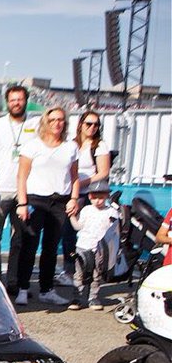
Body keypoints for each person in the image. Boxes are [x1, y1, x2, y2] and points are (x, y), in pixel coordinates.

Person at [15, 106, 79, 307]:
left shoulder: (71, 147)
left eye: (60, 120)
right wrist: (22, 203)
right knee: (29, 245)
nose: (57, 123)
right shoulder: (32, 146)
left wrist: (74, 198)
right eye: (52, 120)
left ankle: (46, 289)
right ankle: (23, 289)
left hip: (59, 201)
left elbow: (74, 176)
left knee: (51, 248)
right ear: (45, 122)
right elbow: (22, 176)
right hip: (35, 200)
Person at [0, 84, 39, 284]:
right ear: (7, 102)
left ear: (26, 101)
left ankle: (14, 281)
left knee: (20, 238)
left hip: (25, 190)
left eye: (20, 99)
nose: (16, 103)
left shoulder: (37, 124)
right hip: (0, 188)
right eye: (13, 99)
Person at [62, 110, 112, 279]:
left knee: (90, 235)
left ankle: (92, 269)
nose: (92, 127)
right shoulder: (72, 144)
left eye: (96, 124)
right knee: (68, 233)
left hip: (88, 195)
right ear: (80, 125)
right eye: (88, 124)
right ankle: (70, 269)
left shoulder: (99, 146)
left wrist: (79, 183)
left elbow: (103, 172)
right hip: (71, 194)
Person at [67, 179, 119, 310]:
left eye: (101, 197)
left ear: (107, 196)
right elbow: (78, 227)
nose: (98, 201)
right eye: (95, 197)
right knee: (79, 273)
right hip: (83, 246)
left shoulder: (111, 211)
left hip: (101, 248)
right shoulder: (86, 210)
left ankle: (93, 298)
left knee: (97, 274)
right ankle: (76, 298)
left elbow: (114, 231)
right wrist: (72, 217)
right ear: (90, 197)